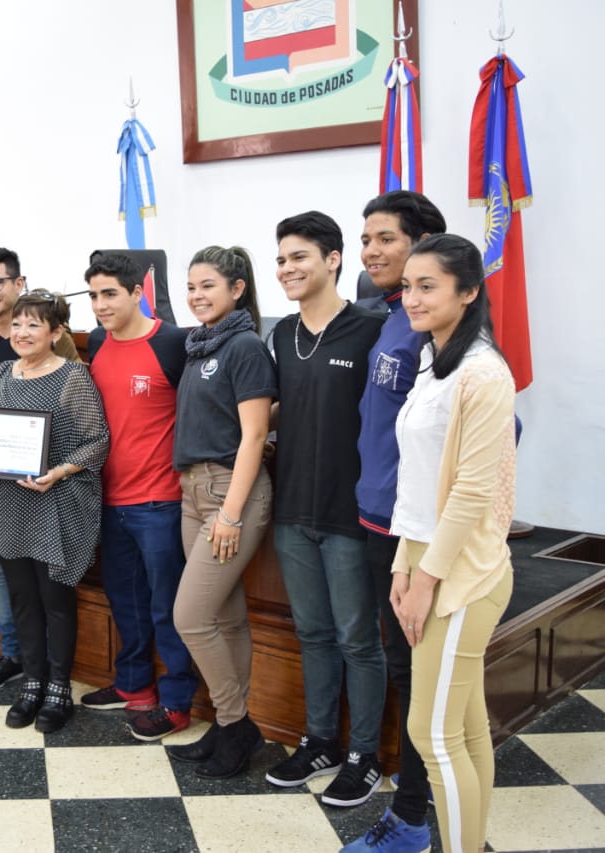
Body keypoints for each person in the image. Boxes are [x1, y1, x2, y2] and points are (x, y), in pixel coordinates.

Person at [391, 234, 515, 853]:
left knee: (432, 735)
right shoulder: (431, 359)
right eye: (407, 286)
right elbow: (417, 480)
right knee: (462, 731)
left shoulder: (484, 373)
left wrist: (427, 579)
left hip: (464, 571)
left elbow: (470, 492)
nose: (411, 298)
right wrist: (402, 564)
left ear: (467, 292)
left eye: (427, 286)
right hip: (424, 557)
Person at [265, 212, 388, 806]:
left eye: (299, 257)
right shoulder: (282, 334)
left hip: (349, 512)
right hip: (292, 509)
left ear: (333, 260)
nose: (287, 268)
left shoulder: (372, 328)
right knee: (312, 632)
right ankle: (320, 742)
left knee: (357, 638)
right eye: (281, 259)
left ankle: (365, 754)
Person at [342, 191, 447, 853]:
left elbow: (494, 429)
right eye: (366, 240)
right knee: (404, 664)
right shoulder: (390, 316)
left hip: (413, 530)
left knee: (417, 672)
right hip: (376, 517)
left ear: (424, 242)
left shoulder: (441, 329)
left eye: (385, 238)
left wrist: (428, 531)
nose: (371, 251)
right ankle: (417, 800)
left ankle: (412, 817)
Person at [0, 290, 109, 734]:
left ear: (56, 332)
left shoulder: (73, 377)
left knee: (55, 600)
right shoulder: (3, 372)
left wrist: (59, 472)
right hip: (7, 503)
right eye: (17, 324)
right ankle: (33, 680)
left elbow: (97, 441)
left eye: (33, 325)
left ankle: (59, 686)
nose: (22, 332)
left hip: (53, 504)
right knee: (22, 598)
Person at [165, 246, 274, 778]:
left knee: (190, 617)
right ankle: (231, 726)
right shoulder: (199, 344)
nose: (196, 296)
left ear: (237, 289)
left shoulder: (245, 345)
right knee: (225, 617)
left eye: (207, 285)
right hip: (194, 491)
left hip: (230, 493)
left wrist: (230, 514)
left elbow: (254, 435)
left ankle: (236, 724)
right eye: (190, 287)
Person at [81, 252, 198, 742]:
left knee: (167, 608)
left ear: (136, 293)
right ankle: (134, 686)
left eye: (110, 294)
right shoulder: (95, 342)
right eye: (93, 296)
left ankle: (176, 703)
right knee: (125, 602)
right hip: (109, 499)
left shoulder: (172, 343)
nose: (100, 305)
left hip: (160, 502)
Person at [0, 247, 80, 693]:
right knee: (9, 580)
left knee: (51, 592)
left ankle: (55, 681)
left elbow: (82, 420)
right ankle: (21, 664)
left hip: (49, 491)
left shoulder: (65, 359)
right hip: (0, 487)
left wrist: (59, 468)